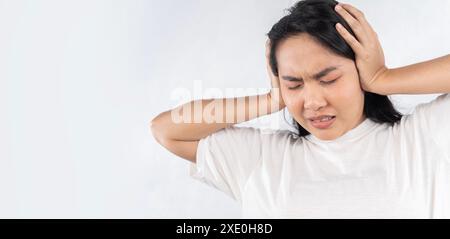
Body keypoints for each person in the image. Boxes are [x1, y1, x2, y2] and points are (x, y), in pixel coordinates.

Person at [150, 0, 450, 218]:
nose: (313, 102)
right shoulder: (261, 159)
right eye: (294, 85)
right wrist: (271, 100)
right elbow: (167, 130)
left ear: (360, 70)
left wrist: (384, 78)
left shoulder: (423, 139)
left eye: (329, 79)